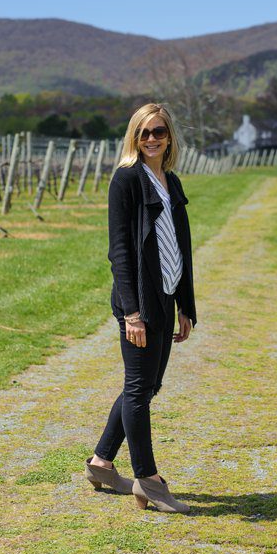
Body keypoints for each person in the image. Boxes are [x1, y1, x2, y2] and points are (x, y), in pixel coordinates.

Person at [85, 102, 196, 514]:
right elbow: (120, 252)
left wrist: (185, 305)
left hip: (166, 298)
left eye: (160, 132)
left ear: (170, 138)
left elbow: (179, 246)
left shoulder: (171, 180)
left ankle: (101, 463)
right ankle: (148, 480)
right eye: (145, 132)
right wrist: (131, 314)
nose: (152, 139)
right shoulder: (126, 180)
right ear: (135, 136)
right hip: (139, 302)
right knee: (138, 387)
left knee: (146, 386)